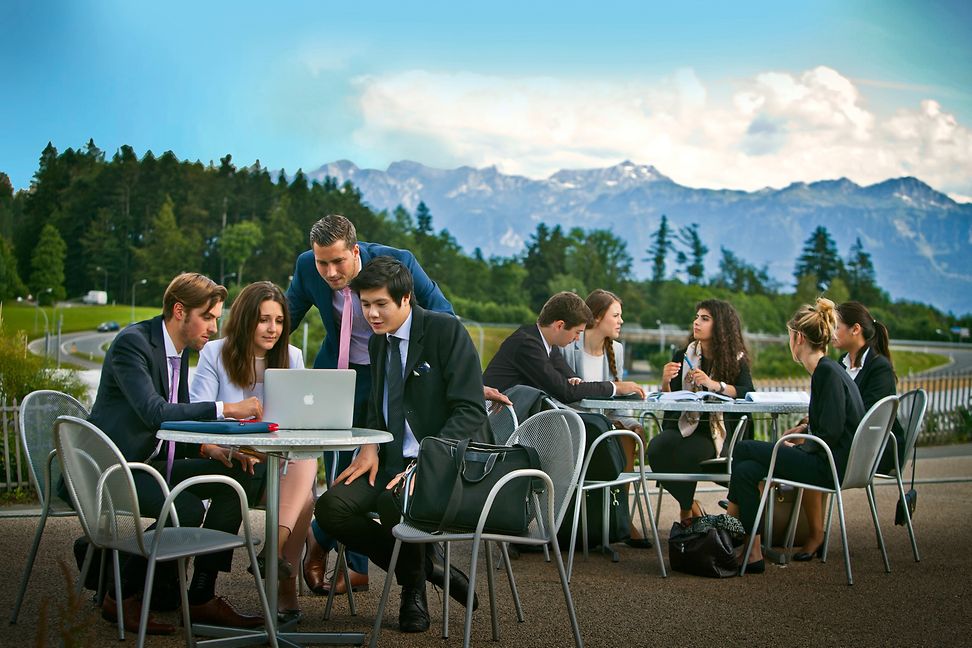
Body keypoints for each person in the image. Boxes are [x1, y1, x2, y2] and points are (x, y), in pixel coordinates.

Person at [286, 213, 509, 594]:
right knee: (344, 468)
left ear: (355, 252)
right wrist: (241, 356)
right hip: (339, 374)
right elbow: (285, 319)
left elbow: (443, 315)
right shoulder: (308, 267)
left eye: (338, 261)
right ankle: (393, 563)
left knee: (386, 485)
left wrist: (463, 380)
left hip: (391, 372)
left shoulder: (397, 262)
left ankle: (345, 560)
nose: (329, 271)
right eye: (322, 262)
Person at [314, 256, 488, 633]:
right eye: (365, 305)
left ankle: (413, 591)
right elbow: (380, 404)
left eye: (381, 305)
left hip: (442, 465)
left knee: (394, 502)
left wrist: (426, 459)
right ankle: (429, 568)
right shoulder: (379, 344)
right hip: (389, 460)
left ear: (406, 298)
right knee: (330, 507)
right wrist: (371, 445)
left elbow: (470, 410)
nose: (372, 315)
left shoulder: (445, 332)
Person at [87, 273, 266, 634]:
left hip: (150, 463)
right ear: (180, 311)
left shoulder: (178, 351)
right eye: (209, 316)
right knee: (182, 505)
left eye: (217, 317)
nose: (215, 327)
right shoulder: (132, 345)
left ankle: (201, 594)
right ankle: (121, 594)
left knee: (242, 472)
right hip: (114, 468)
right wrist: (227, 409)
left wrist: (207, 447)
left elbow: (172, 421)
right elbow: (154, 413)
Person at [189, 281, 312, 620]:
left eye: (278, 320)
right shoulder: (215, 353)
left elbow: (300, 421)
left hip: (279, 461)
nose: (273, 329)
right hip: (236, 459)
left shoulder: (293, 357)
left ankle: (271, 555)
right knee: (305, 500)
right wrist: (234, 443)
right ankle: (281, 581)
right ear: (245, 320)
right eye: (263, 320)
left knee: (305, 465)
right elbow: (199, 415)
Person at [726, 298, 865, 573]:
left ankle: (728, 526)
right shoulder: (831, 369)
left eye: (790, 336)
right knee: (746, 471)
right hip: (835, 461)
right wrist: (803, 431)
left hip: (827, 466)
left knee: (742, 450)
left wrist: (801, 440)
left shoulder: (825, 372)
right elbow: (833, 422)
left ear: (798, 338)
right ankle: (752, 552)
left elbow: (831, 431)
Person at [788, 300, 904, 561]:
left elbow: (867, 415)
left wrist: (814, 428)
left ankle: (815, 534)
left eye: (837, 326)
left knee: (812, 454)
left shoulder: (878, 367)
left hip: (877, 446)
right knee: (811, 446)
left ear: (855, 330)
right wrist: (809, 425)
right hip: (850, 439)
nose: (832, 331)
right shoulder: (840, 363)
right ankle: (811, 530)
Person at [646, 299, 754, 522]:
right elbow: (670, 398)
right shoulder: (683, 355)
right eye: (696, 317)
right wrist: (665, 382)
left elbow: (747, 392)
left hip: (716, 432)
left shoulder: (736, 359)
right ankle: (690, 505)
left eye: (704, 319)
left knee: (685, 455)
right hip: (683, 426)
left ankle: (686, 513)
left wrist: (715, 385)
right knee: (656, 449)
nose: (696, 322)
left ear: (721, 325)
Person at [560, 289, 650, 546]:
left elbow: (616, 404)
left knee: (629, 435)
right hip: (575, 424)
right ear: (597, 318)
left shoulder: (617, 350)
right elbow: (562, 393)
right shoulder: (569, 345)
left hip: (603, 426)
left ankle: (621, 518)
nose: (621, 321)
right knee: (611, 433)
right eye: (617, 315)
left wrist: (632, 425)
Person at [483, 291, 645, 403]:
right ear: (560, 325)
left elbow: (567, 377)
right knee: (596, 427)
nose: (576, 339)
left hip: (517, 416)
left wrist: (575, 379)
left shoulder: (546, 344)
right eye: (576, 333)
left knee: (598, 426)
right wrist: (615, 387)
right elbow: (565, 392)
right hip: (497, 421)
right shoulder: (528, 344)